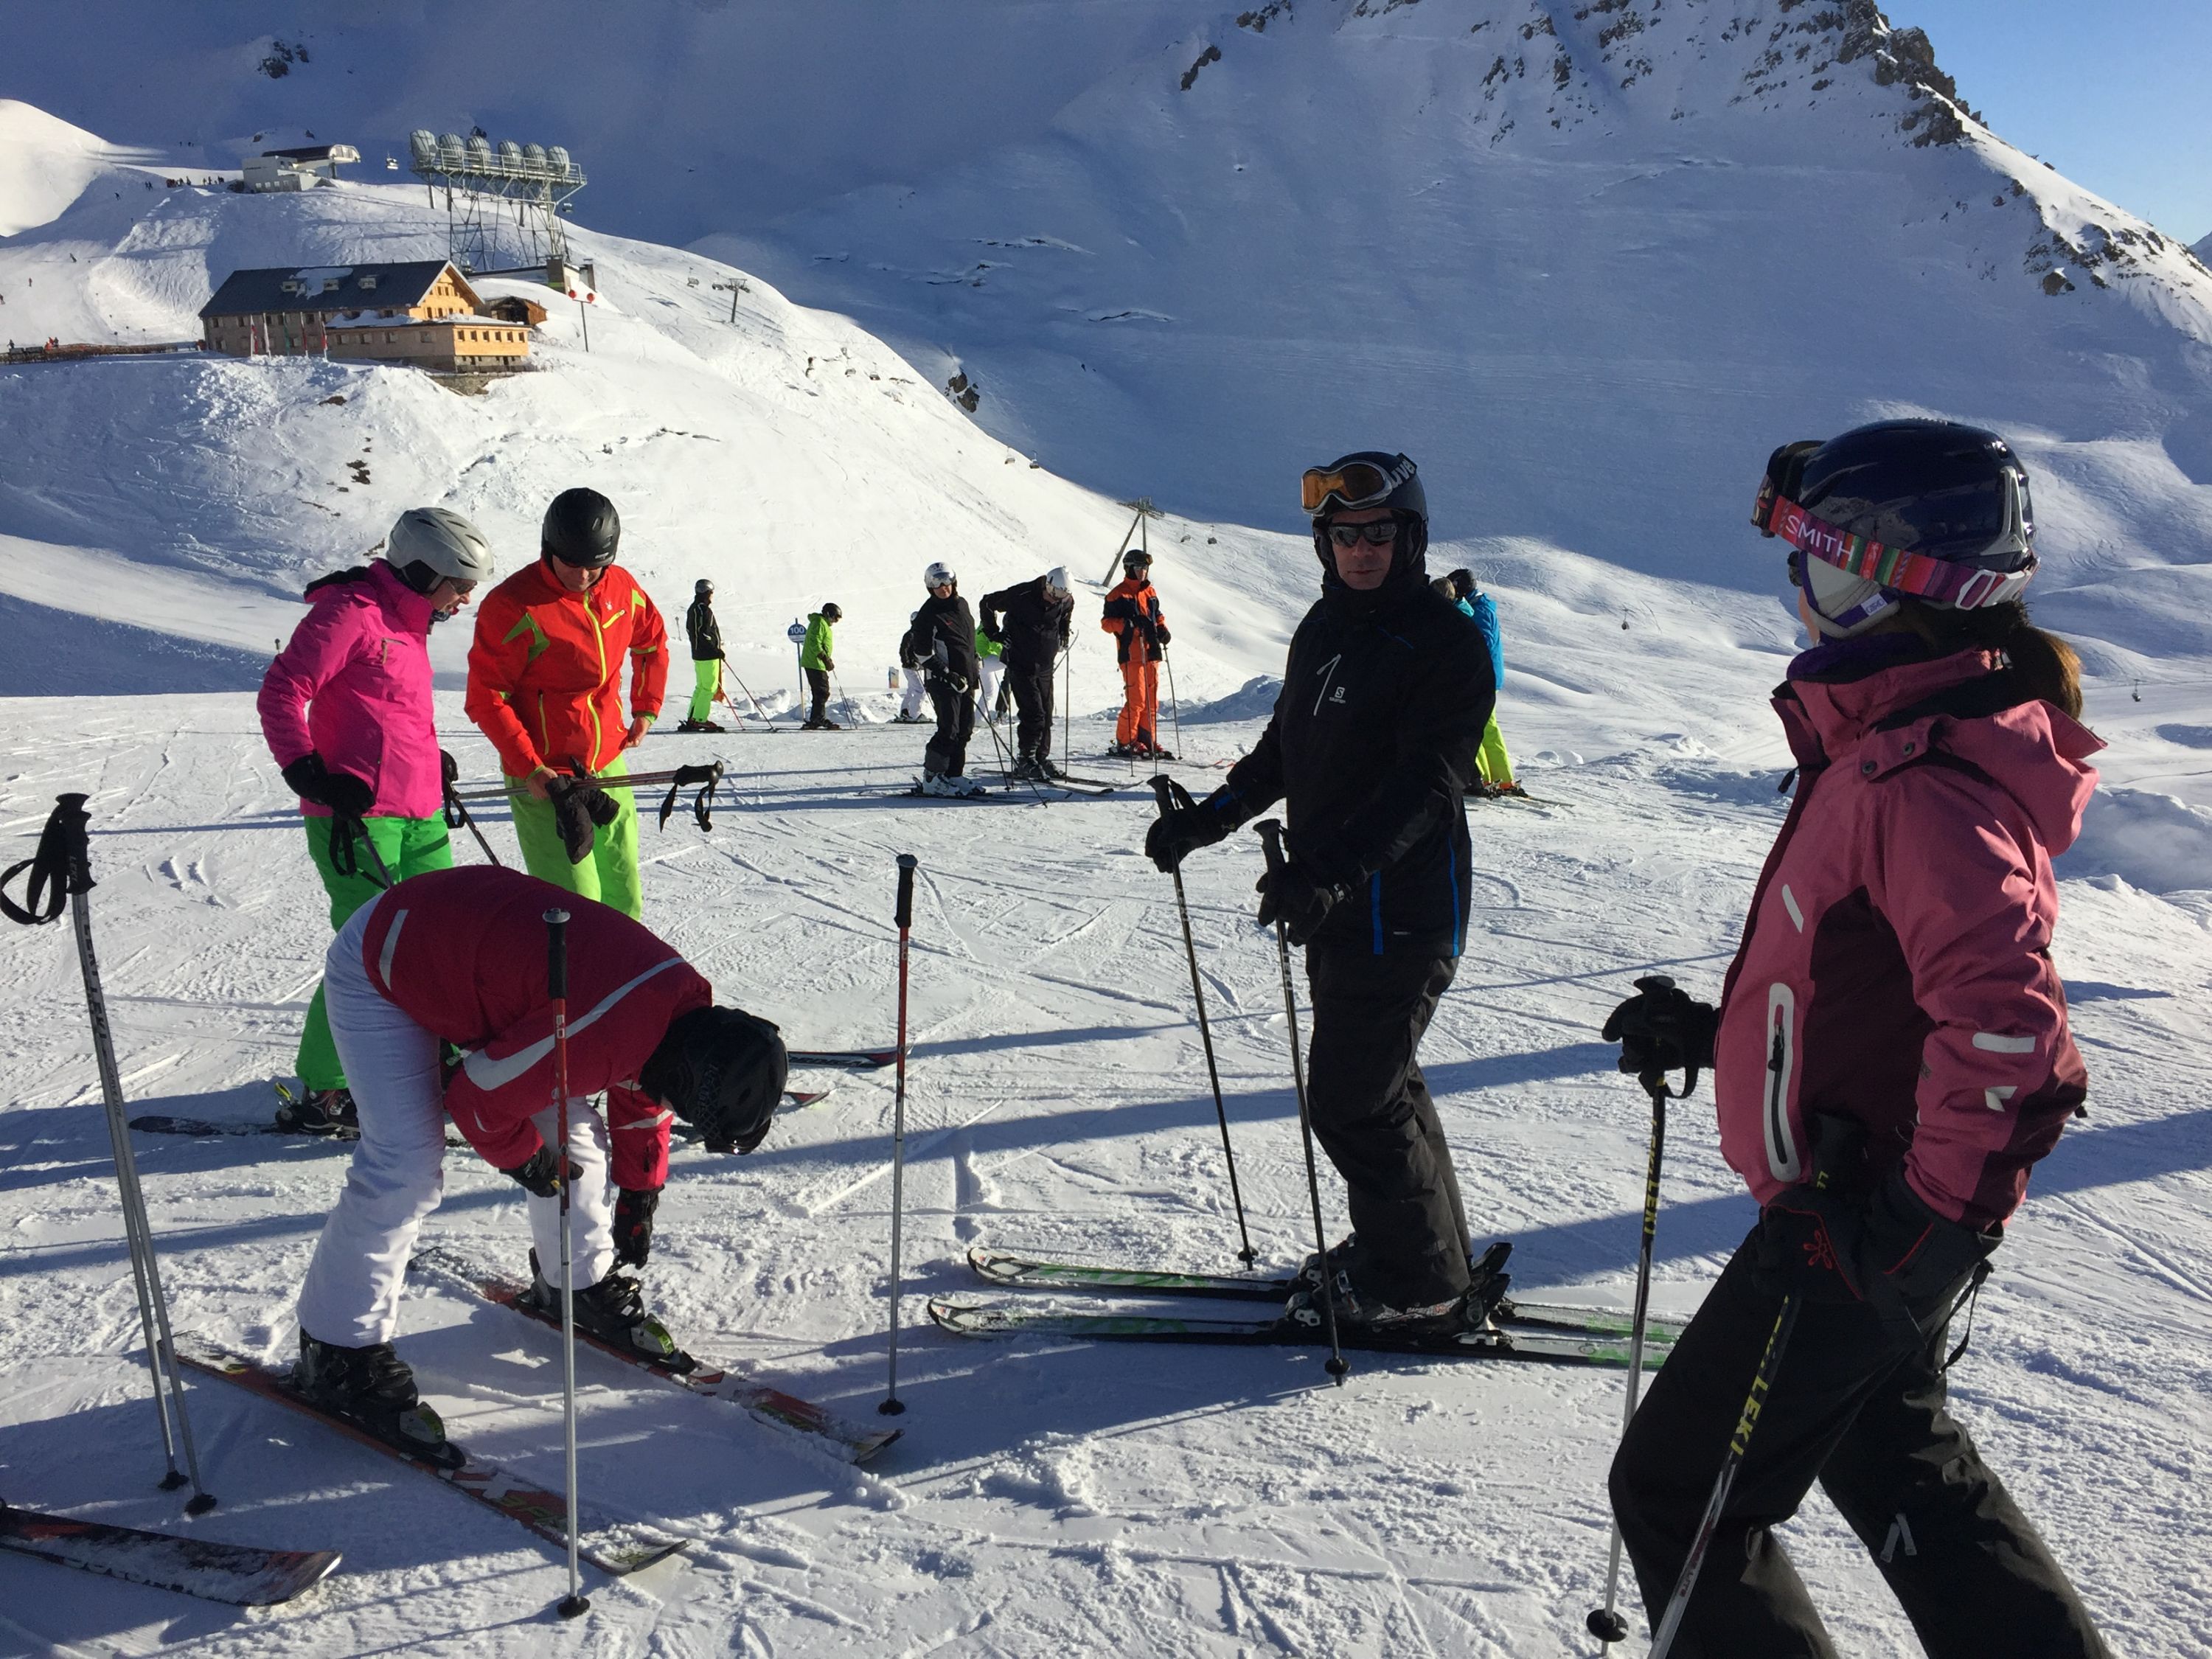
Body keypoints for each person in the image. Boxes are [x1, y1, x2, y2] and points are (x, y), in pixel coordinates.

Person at [1601, 419, 2110, 1657]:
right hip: (1865, 1204)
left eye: (1825, 566)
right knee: (1896, 1456)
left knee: (1680, 1492)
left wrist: (1918, 1226)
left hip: (1861, 1217)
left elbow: (2009, 1032)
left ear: (1906, 585)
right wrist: (1728, 1034)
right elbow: (1865, 985)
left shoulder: (1921, 781)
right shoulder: (1884, 747)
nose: (1801, 589)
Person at [1144, 452, 1496, 1334]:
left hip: (1401, 912)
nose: (1361, 551)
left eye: (1378, 534)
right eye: (1345, 536)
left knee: (1352, 1101)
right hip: (1333, 907)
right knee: (1383, 1087)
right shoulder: (1324, 626)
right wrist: (1209, 819)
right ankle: (1424, 1257)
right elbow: (1285, 750)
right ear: (1324, 544)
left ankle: (1418, 1288)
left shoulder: (1445, 642)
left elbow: (1427, 784)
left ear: (1410, 539)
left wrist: (1333, 874)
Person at [290, 864, 788, 1463]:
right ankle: (336, 1349)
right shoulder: (603, 1032)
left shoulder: (681, 1012)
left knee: (575, 1139)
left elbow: (641, 1089)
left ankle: (575, 1280)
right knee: (404, 1164)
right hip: (387, 961)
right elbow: (477, 1102)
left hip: (472, 956)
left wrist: (640, 1190)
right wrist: (526, 1162)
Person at [257, 508, 494, 1134]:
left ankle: (434, 1062)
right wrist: (307, 772)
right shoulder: (351, 612)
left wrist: (428, 761)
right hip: (357, 817)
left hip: (420, 811)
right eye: (460, 585)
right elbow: (283, 691)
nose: (466, 600)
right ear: (423, 571)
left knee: (437, 942)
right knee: (368, 951)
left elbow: (390, 709)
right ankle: (326, 1089)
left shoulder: (410, 622)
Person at [465, 487, 669, 919]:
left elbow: (651, 643)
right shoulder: (513, 605)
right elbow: (487, 697)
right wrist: (529, 766)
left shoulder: (622, 588)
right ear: (550, 548)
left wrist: (646, 708)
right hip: (546, 776)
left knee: (624, 891)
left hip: (606, 763)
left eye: (596, 565)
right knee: (575, 903)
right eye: (572, 564)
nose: (583, 576)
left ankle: (622, 964)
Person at [1434, 568, 1523, 798]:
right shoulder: (1477, 606)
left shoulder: (1479, 609)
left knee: (1478, 727)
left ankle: (1485, 779)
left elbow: (1482, 642)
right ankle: (1498, 779)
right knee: (1486, 728)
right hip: (1483, 676)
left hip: (1480, 677)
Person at [980, 566, 1074, 780]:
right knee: (1033, 713)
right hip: (1020, 662)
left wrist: (1063, 631)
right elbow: (987, 603)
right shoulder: (1022, 594)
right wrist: (993, 633)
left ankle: (1040, 758)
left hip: (1045, 665)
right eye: (1053, 593)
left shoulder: (1065, 600)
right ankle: (1026, 759)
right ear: (1047, 584)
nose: (1055, 599)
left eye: (1061, 596)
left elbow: (1067, 609)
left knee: (1047, 713)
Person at [900, 563, 982, 796]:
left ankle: (953, 774)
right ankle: (932, 778)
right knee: (949, 730)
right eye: (937, 583)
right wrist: (948, 675)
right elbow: (923, 654)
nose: (943, 587)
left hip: (966, 678)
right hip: (943, 681)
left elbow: (966, 639)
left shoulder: (961, 604)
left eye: (947, 581)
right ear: (930, 587)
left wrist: (974, 659)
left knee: (965, 729)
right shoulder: (928, 615)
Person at [1102, 550, 1172, 759]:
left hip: (1151, 652)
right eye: (1140, 568)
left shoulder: (1150, 591)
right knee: (1137, 701)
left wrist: (1162, 629)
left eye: (1146, 568)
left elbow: (1157, 615)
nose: (1143, 572)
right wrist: (1129, 624)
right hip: (1131, 654)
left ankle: (1147, 740)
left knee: (1151, 702)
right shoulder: (1117, 595)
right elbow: (1106, 624)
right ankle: (1126, 742)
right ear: (1129, 569)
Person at [679, 578, 726, 734]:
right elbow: (705, 633)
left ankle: (693, 717)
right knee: (709, 688)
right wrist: (715, 650)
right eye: (711, 593)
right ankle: (700, 719)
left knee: (701, 687)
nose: (712, 595)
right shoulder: (703, 609)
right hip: (707, 655)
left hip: (698, 653)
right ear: (707, 593)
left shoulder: (694, 608)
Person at [799, 602, 842, 729]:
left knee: (820, 692)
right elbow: (814, 641)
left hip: (817, 662)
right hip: (815, 662)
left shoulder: (822, 624)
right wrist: (824, 657)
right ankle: (818, 718)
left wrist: (827, 658)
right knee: (822, 691)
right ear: (829, 614)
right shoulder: (819, 623)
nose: (835, 621)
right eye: (835, 618)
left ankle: (816, 719)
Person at [973, 619, 1007, 724]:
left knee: (988, 691)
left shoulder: (978, 629)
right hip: (985, 661)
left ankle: (979, 719)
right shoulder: (987, 630)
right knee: (1011, 661)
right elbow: (995, 646)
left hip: (979, 663)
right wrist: (1007, 654)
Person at [898, 621, 931, 723]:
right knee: (920, 690)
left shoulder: (918, 634)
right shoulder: (911, 635)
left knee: (912, 690)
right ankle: (915, 714)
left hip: (916, 667)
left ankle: (905, 711)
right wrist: (908, 663)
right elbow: (903, 650)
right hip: (911, 667)